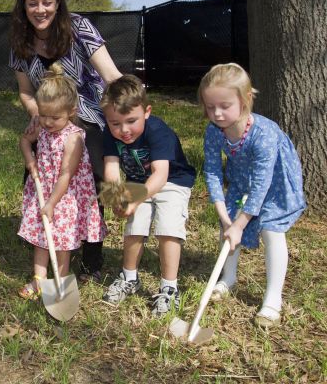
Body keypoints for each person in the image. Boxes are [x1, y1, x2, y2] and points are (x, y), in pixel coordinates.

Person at [9, 0, 123, 283]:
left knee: (93, 179)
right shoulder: (20, 41)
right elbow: (24, 91)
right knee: (38, 181)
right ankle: (43, 240)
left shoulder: (79, 27)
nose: (40, 10)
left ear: (58, 2)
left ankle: (92, 259)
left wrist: (130, 111)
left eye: (47, 2)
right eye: (33, 4)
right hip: (47, 119)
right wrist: (39, 115)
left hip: (89, 117)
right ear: (24, 6)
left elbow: (111, 76)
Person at [198, 63, 305, 327]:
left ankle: (272, 299)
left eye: (224, 106)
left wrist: (240, 224)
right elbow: (211, 172)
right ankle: (229, 278)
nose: (217, 113)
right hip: (241, 179)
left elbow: (261, 184)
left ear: (245, 100)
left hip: (274, 182)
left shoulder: (264, 134)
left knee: (271, 231)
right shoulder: (213, 131)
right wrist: (226, 219)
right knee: (230, 230)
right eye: (210, 107)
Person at [99, 75, 196, 317]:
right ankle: (129, 278)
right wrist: (117, 199)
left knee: (167, 229)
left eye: (131, 121)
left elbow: (160, 175)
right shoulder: (108, 134)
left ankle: (169, 288)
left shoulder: (157, 131)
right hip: (139, 183)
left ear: (147, 112)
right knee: (135, 227)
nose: (124, 131)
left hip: (172, 181)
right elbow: (111, 169)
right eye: (115, 123)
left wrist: (135, 199)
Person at [17, 63, 104, 299]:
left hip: (64, 197)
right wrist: (30, 160)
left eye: (55, 117)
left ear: (71, 112)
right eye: (43, 115)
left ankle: (61, 281)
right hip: (43, 190)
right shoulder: (43, 128)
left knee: (63, 242)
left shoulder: (73, 138)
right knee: (41, 239)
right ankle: (39, 281)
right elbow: (24, 141)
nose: (47, 122)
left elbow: (66, 174)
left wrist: (52, 203)